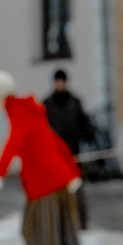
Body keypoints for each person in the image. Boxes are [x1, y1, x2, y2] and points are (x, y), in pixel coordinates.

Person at [0, 71, 84, 245]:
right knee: (52, 227)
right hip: (55, 178)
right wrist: (71, 170)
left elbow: (13, 142)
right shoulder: (29, 110)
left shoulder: (19, 112)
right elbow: (55, 140)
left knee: (43, 228)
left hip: (44, 181)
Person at [41, 69, 95, 228]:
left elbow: (84, 124)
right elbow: (43, 129)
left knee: (77, 191)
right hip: (54, 156)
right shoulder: (47, 104)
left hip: (73, 154)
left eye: (62, 81)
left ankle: (80, 224)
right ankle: (57, 224)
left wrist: (88, 134)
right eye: (57, 81)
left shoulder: (74, 102)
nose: (60, 84)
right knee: (55, 193)